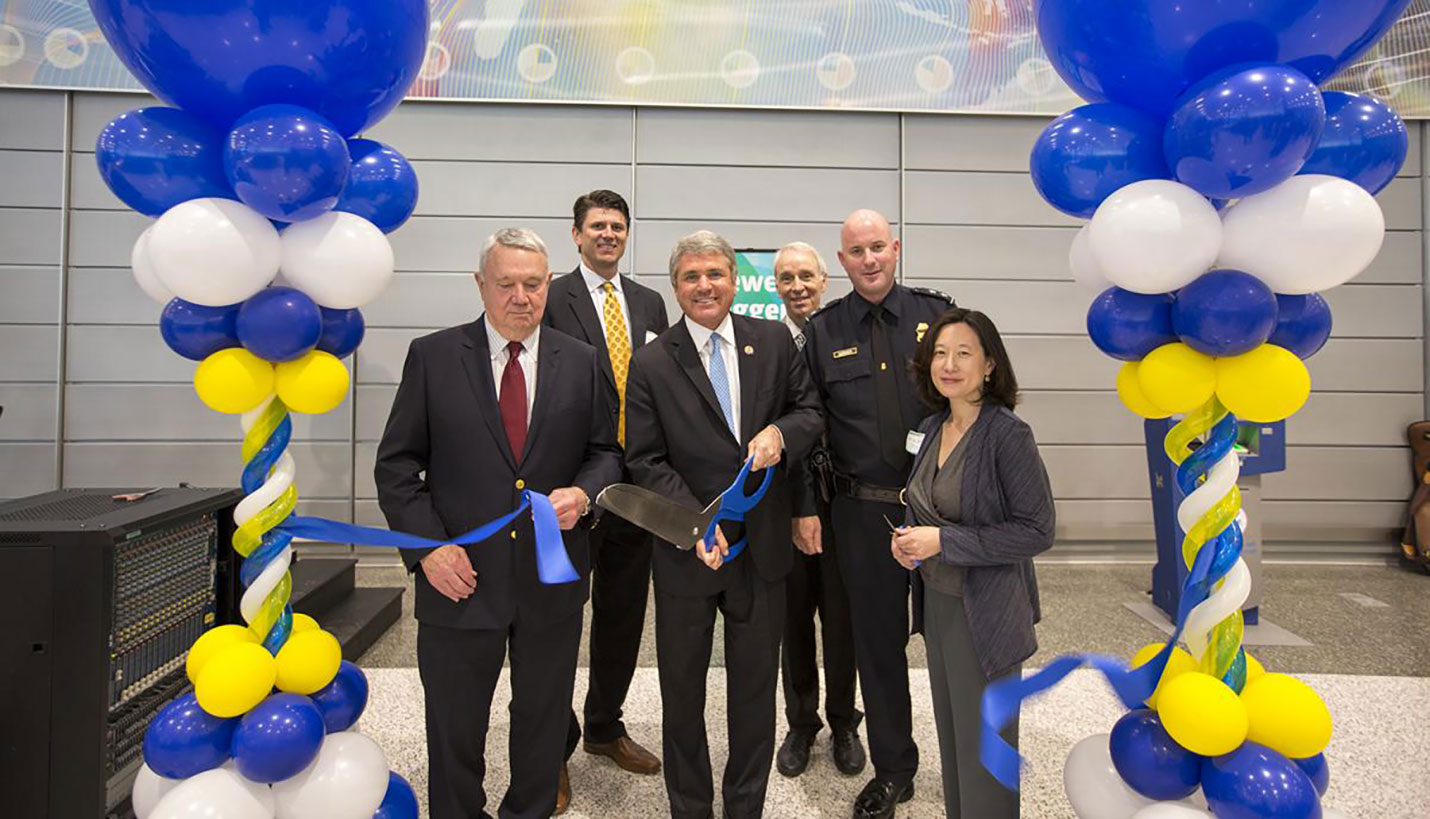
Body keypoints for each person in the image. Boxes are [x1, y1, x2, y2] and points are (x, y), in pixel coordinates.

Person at [375, 228, 622, 819]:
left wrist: (584, 495)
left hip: (550, 581)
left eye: (533, 284)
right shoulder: (433, 357)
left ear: (549, 286)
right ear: (480, 284)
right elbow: (398, 466)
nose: (520, 297)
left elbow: (606, 453)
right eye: (506, 283)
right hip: (457, 581)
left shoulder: (581, 361)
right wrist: (429, 551)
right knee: (455, 726)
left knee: (541, 723)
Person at [623, 230, 823, 819]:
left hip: (761, 550)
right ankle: (690, 806)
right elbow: (645, 460)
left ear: (735, 281)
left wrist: (781, 434)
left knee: (754, 692)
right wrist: (696, 524)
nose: (704, 285)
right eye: (691, 276)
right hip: (689, 552)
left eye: (715, 274)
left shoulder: (773, 342)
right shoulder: (653, 361)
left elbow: (809, 410)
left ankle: (745, 806)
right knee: (682, 694)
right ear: (676, 287)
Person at [798, 209, 954, 819]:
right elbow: (810, 429)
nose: (868, 260)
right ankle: (895, 768)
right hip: (862, 517)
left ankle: (972, 754)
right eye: (855, 252)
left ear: (895, 249)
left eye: (877, 248)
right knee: (879, 648)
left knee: (954, 640)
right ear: (842, 262)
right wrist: (807, 510)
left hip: (941, 512)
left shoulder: (937, 318)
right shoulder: (823, 329)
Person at [892, 307, 1054, 818]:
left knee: (986, 750)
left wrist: (944, 542)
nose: (949, 364)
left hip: (987, 612)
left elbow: (1037, 530)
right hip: (938, 607)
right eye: (940, 353)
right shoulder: (932, 427)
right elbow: (928, 508)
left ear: (989, 365)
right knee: (956, 740)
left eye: (964, 353)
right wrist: (910, 544)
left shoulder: (1008, 435)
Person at [544, 190, 667, 811]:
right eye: (597, 227)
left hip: (636, 489)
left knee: (622, 616)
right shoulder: (550, 297)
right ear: (576, 235)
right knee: (559, 620)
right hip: (571, 486)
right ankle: (552, 750)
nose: (608, 235)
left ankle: (604, 728)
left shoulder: (648, 302)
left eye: (618, 226)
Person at [770, 241, 865, 778]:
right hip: (785, 508)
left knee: (842, 619)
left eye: (806, 276)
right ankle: (801, 723)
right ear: (776, 286)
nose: (797, 286)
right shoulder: (762, 343)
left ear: (825, 280)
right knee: (794, 620)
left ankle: (845, 720)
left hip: (842, 506)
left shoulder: (842, 337)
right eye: (786, 278)